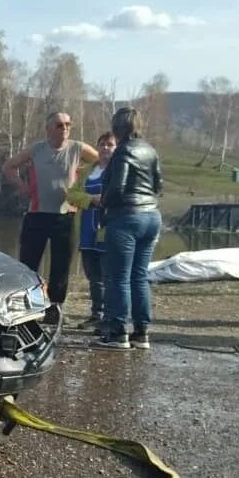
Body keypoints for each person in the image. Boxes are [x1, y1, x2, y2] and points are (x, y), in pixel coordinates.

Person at [3, 111, 101, 322]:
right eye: (59, 125)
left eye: (68, 124)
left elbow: (104, 162)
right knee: (28, 264)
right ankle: (27, 307)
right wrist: (22, 186)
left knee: (61, 266)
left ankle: (54, 310)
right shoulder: (37, 149)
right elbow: (9, 167)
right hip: (37, 215)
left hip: (65, 216)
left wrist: (85, 181)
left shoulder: (77, 148)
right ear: (48, 128)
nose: (64, 128)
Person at [91, 107, 163, 350]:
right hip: (151, 216)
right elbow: (158, 183)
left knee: (118, 277)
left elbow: (118, 188)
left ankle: (117, 332)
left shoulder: (122, 152)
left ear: (117, 129)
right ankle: (141, 333)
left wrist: (103, 203)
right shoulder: (150, 150)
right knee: (139, 276)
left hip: (126, 217)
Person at [75, 132, 115, 330]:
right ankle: (95, 314)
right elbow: (72, 195)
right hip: (87, 229)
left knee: (108, 275)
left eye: (109, 144)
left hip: (109, 228)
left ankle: (109, 316)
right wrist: (91, 200)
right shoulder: (87, 171)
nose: (105, 148)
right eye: (102, 144)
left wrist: (105, 201)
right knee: (92, 276)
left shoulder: (117, 171)